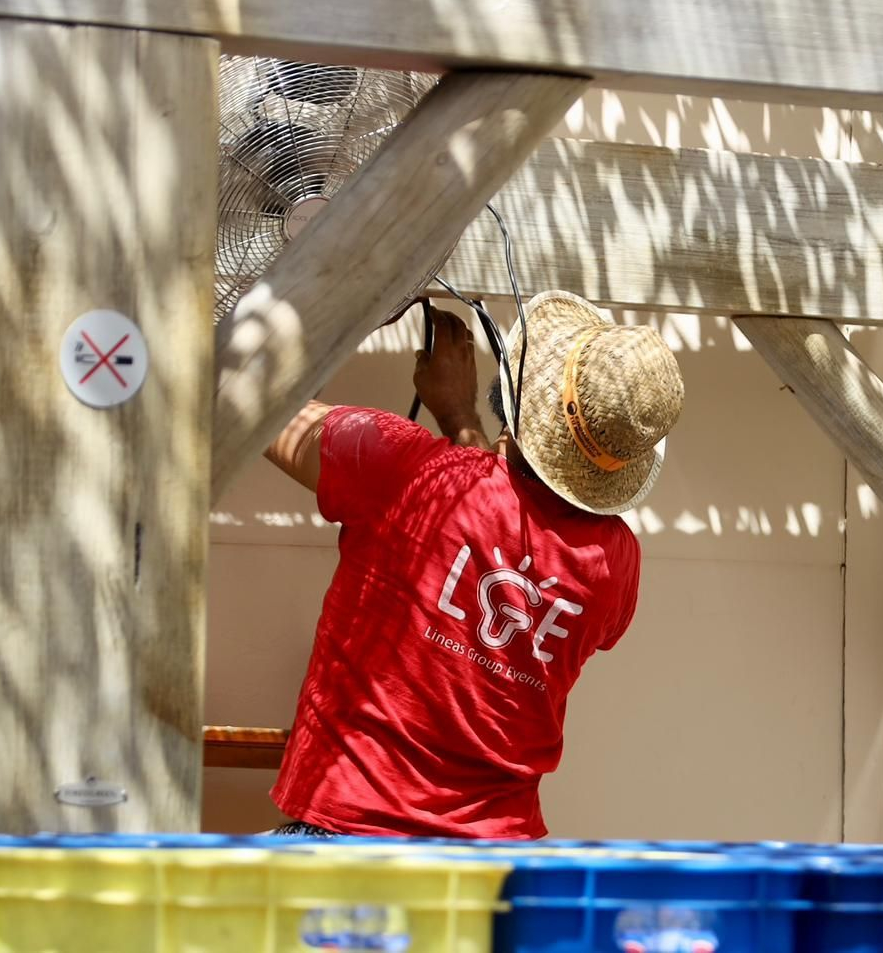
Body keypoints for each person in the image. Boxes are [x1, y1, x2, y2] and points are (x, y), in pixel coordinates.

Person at [263, 290, 684, 838]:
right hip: (496, 861)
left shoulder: (405, 469)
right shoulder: (615, 564)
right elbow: (509, 520)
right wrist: (458, 418)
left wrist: (344, 300)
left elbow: (255, 403)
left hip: (348, 837)